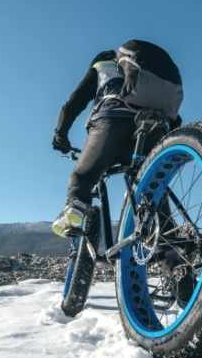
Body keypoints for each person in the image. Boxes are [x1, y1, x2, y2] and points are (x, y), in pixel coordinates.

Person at [51, 39, 183, 237]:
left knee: (82, 177)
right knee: (153, 191)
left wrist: (60, 135)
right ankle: (172, 253)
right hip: (154, 127)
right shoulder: (146, 75)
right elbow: (175, 120)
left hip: (112, 121)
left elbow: (73, 104)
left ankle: (75, 212)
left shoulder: (101, 66)